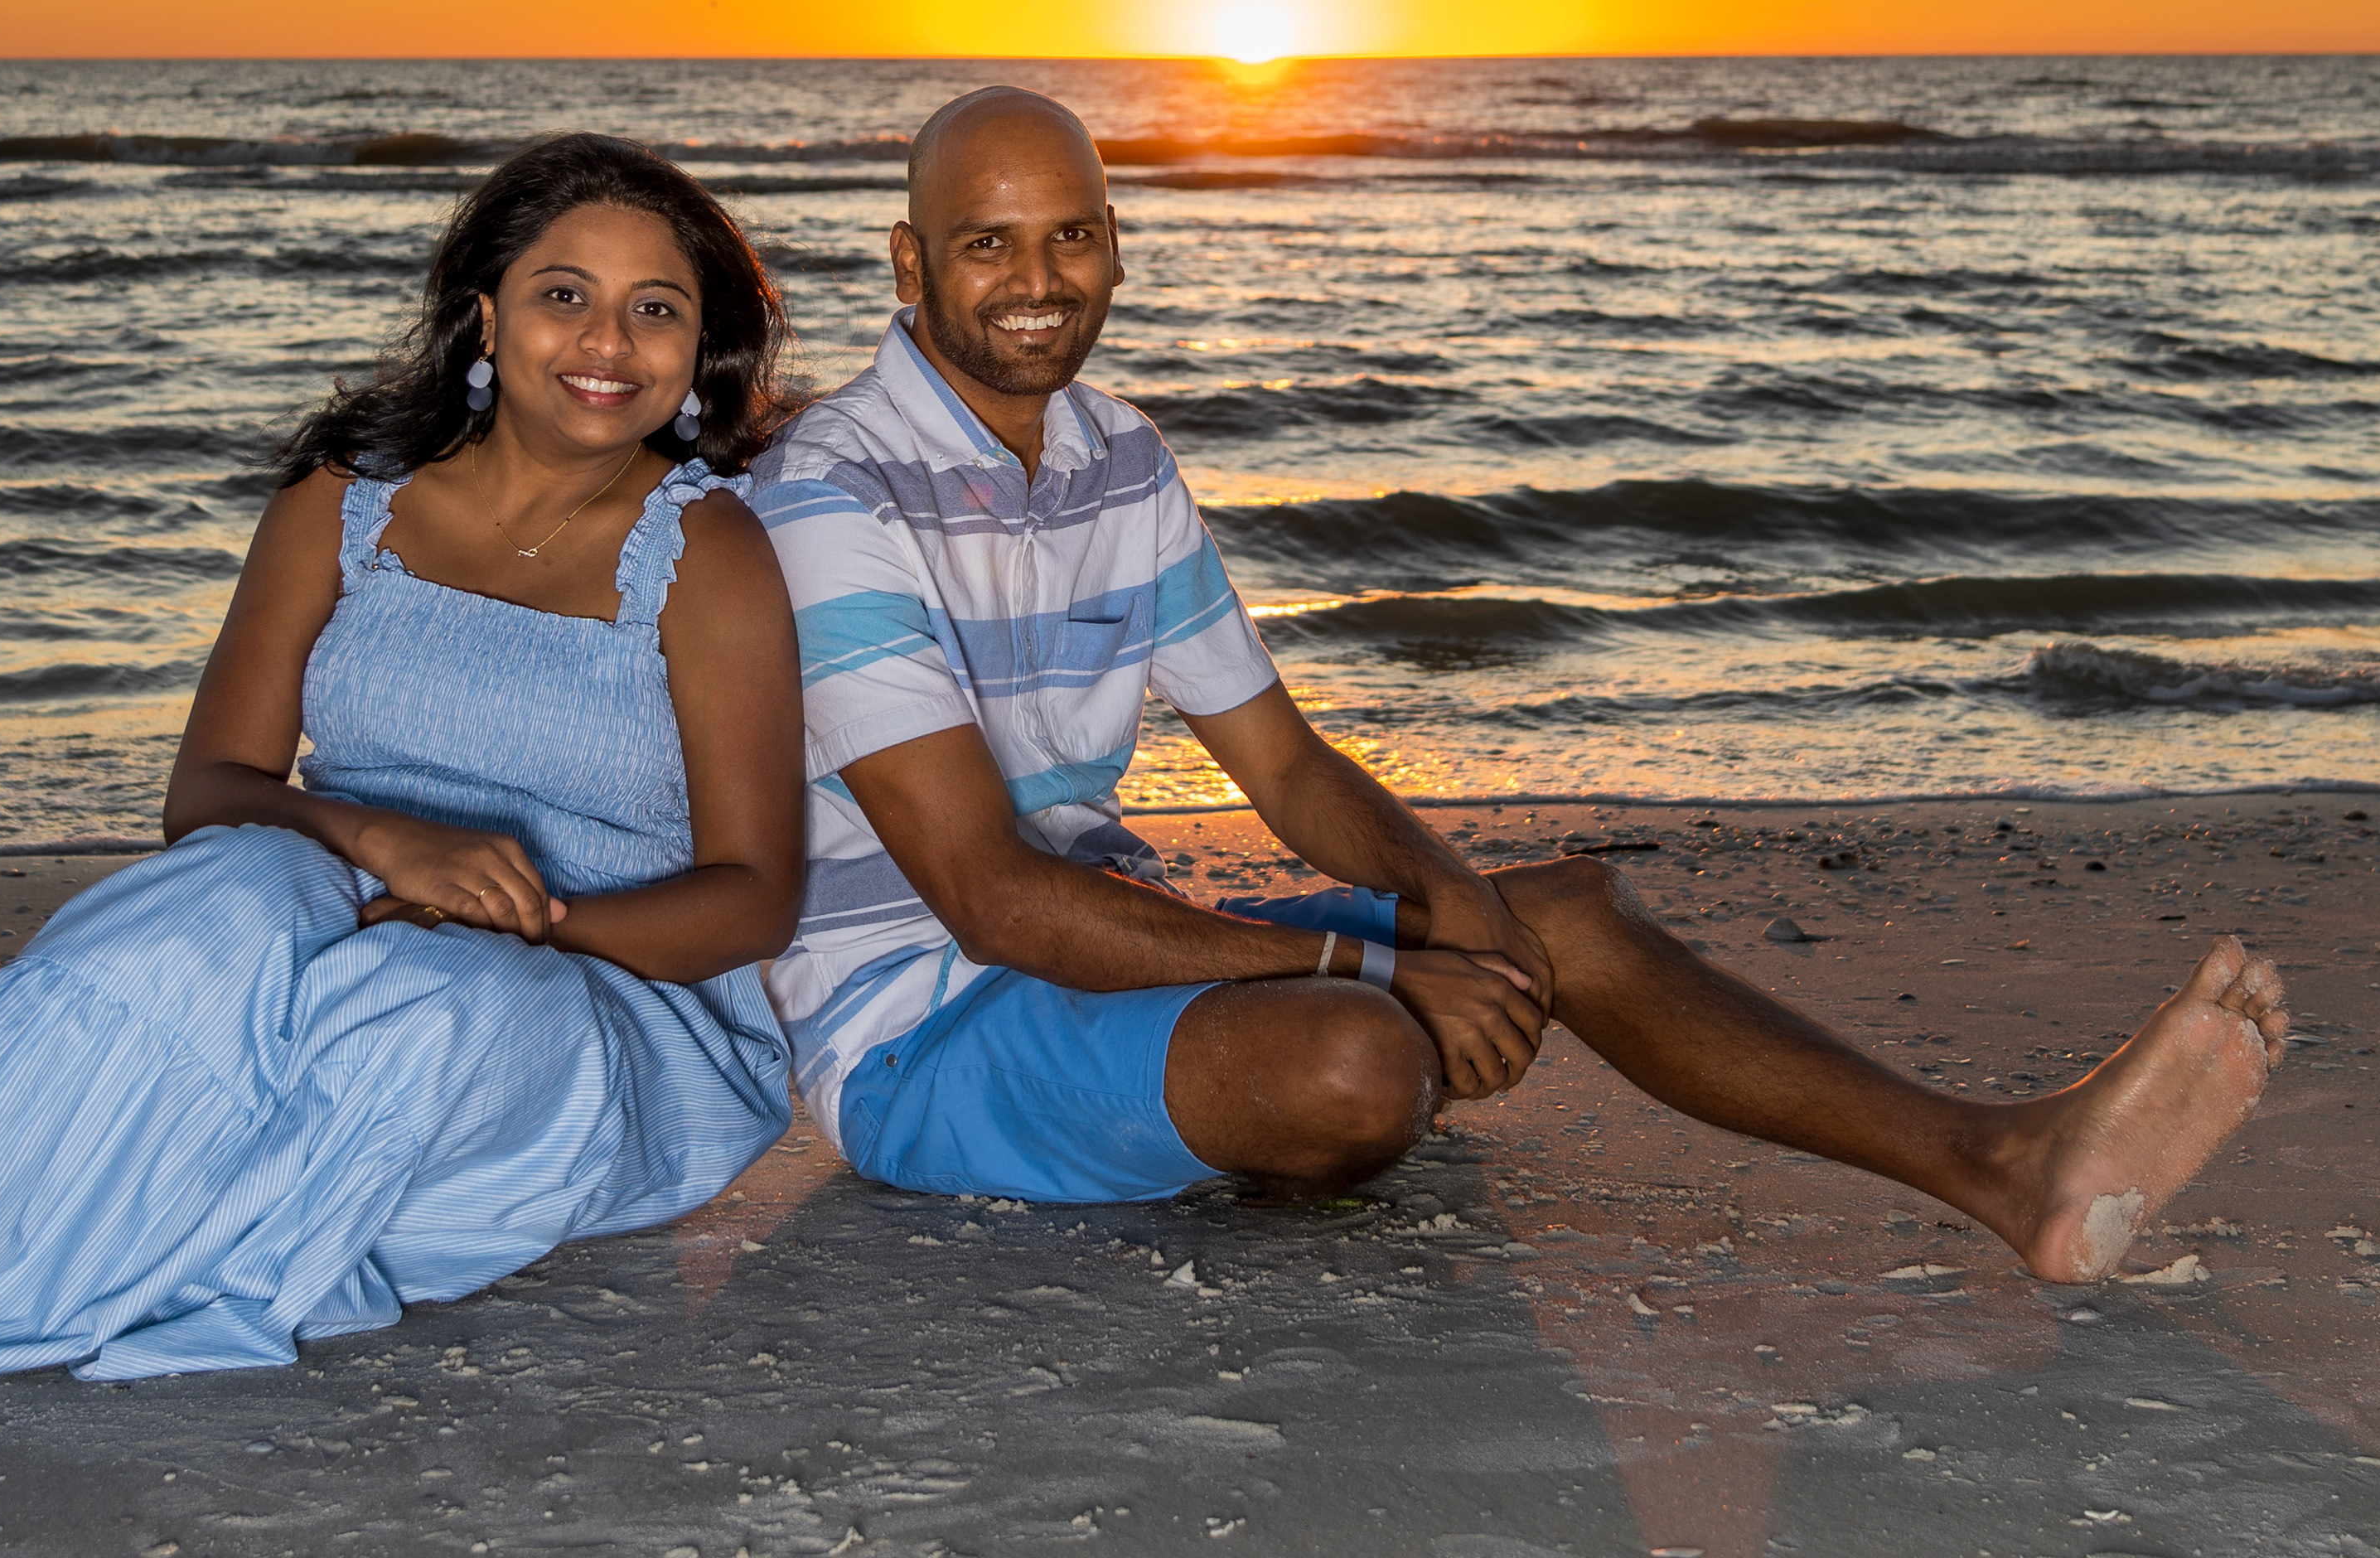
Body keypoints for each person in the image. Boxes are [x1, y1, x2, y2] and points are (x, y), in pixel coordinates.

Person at [747, 84, 2287, 1279]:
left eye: (1069, 234)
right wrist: (1375, 976)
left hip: (1094, 959)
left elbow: (1284, 769)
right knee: (1357, 1063)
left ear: (1115, 242)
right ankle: (1269, 1095)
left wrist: (1452, 904)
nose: (1037, 278)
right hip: (919, 1034)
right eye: (986, 241)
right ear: (910, 258)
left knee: (1565, 920)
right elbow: (992, 899)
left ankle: (2007, 1164)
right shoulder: (836, 497)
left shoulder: (1122, 459)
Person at [0, 136, 807, 1460]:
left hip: (605, 999)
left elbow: (756, 900)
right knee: (204, 905)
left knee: (428, 1010)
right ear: (487, 315)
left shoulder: (706, 553)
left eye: (658, 308)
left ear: (696, 348)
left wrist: (514, 916)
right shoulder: (343, 506)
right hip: (341, 887)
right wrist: (377, 842)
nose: (609, 339)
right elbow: (211, 791)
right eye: (565, 293)